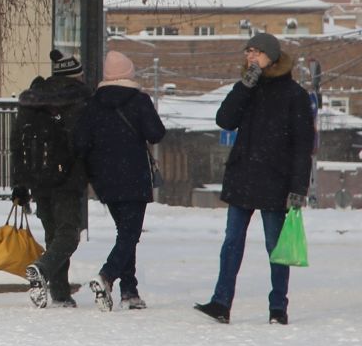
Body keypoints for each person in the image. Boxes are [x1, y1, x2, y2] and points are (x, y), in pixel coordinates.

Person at [195, 32, 314, 325]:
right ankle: (221, 303)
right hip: (243, 177)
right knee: (232, 242)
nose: (250, 56)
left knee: (276, 248)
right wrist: (245, 86)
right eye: (248, 51)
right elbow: (225, 120)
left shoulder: (294, 95)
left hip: (277, 182)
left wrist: (299, 188)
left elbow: (303, 146)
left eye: (256, 52)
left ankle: (277, 308)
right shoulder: (247, 88)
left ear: (272, 56)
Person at [74, 51, 166, 310]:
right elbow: (156, 134)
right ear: (129, 73)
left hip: (105, 180)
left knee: (125, 233)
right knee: (129, 234)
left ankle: (130, 290)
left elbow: (80, 141)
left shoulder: (93, 104)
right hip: (134, 176)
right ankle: (106, 276)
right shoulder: (139, 101)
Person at [11, 49, 90, 308]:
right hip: (68, 179)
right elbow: (84, 142)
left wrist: (20, 184)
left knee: (53, 233)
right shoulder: (78, 101)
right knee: (68, 235)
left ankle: (60, 293)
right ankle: (42, 269)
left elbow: (17, 144)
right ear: (74, 75)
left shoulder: (33, 102)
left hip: (38, 178)